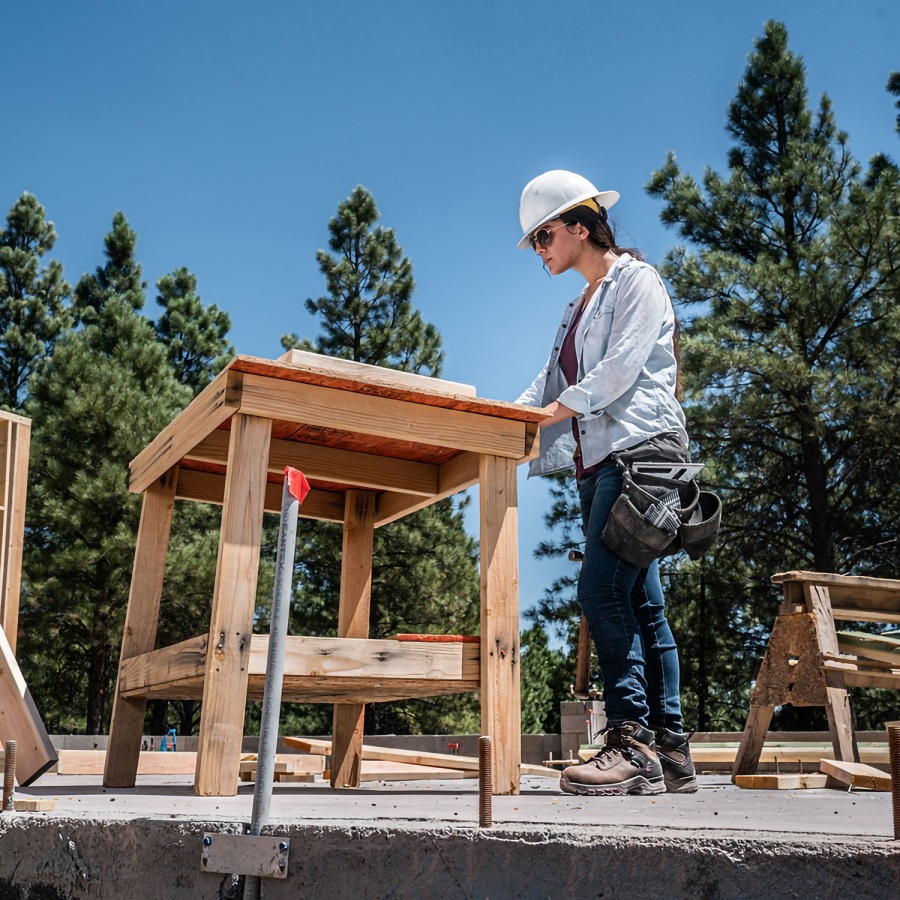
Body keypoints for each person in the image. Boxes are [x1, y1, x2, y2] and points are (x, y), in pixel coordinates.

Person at [515, 170, 698, 796]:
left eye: (544, 236)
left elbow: (620, 369)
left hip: (643, 454)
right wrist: (492, 424)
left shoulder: (636, 282)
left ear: (581, 227)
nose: (539, 250)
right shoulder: (576, 307)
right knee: (643, 603)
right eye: (534, 243)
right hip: (599, 466)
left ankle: (631, 740)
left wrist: (553, 411)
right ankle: (671, 751)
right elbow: (542, 391)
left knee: (599, 590)